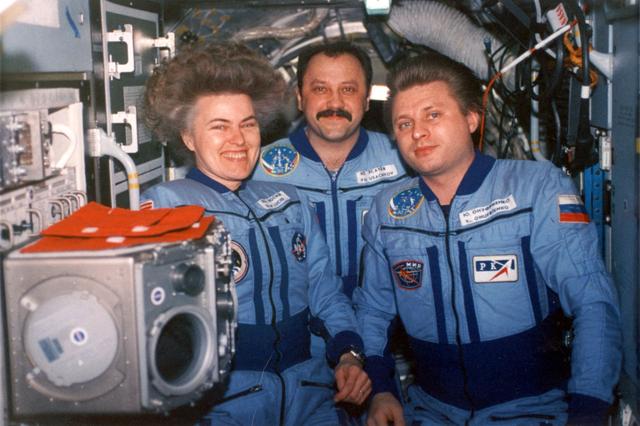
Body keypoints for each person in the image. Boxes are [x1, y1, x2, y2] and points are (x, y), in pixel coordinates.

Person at [355, 52, 622, 426]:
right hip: (430, 409)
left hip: (532, 409)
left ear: (471, 118)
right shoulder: (388, 211)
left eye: (433, 115)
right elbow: (373, 311)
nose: (417, 132)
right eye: (404, 123)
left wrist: (588, 409)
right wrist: (381, 390)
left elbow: (592, 302)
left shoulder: (536, 188)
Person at [141, 41, 371, 425]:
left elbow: (324, 291)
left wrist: (349, 354)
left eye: (247, 124)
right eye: (219, 126)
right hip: (224, 402)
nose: (239, 139)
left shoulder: (289, 200)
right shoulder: (167, 207)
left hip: (311, 392)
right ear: (188, 137)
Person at [252, 41, 409, 301]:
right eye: (320, 89)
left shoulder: (404, 161)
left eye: (348, 89)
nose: (335, 102)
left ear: (367, 99)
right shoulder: (258, 168)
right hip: (298, 316)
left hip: (387, 315)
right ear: (300, 98)